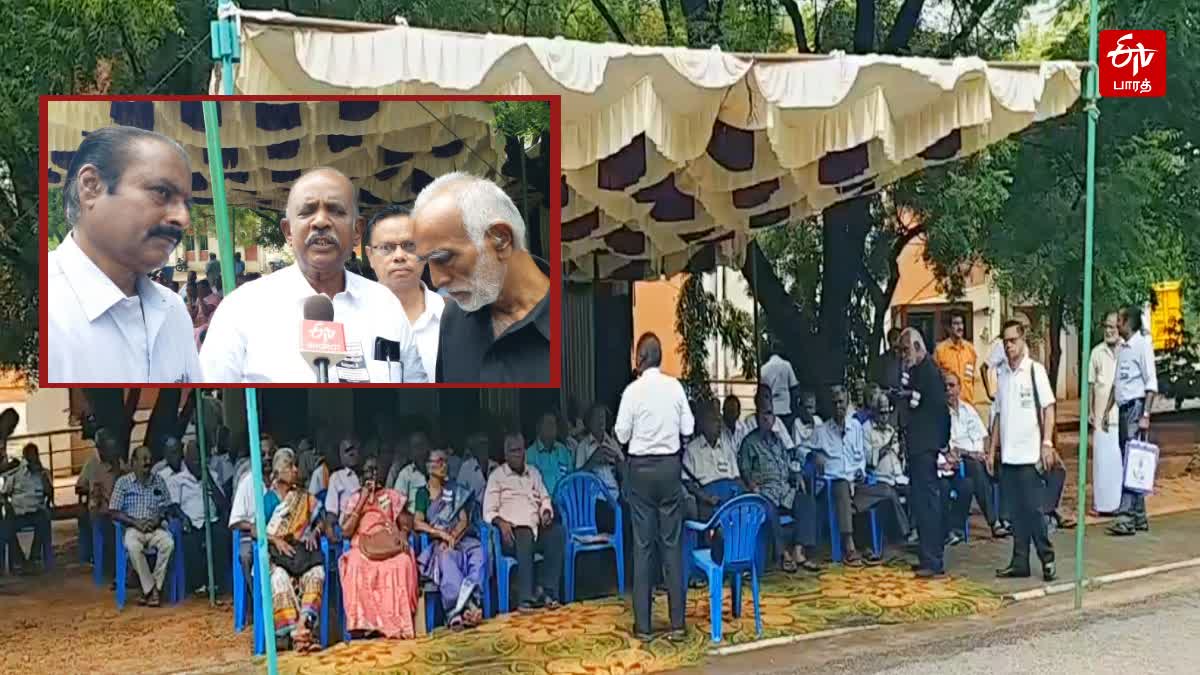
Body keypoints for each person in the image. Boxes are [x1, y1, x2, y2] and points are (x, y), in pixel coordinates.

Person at [199, 167, 427, 383]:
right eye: (307, 212)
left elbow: (419, 403)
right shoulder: (242, 308)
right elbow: (214, 404)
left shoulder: (385, 304)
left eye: (336, 210)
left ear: (357, 231)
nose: (320, 222)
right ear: (288, 232)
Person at [47, 126, 201, 383]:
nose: (183, 218)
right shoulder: (48, 308)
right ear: (91, 187)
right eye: (162, 193)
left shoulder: (173, 310)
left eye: (187, 204)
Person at [411, 172, 551, 383]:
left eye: (444, 257)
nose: (437, 280)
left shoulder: (582, 326)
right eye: (426, 262)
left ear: (501, 239)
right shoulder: (453, 318)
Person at [614, 333, 692, 641]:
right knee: (671, 546)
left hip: (641, 472)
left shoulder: (632, 392)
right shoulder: (675, 388)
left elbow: (621, 435)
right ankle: (677, 624)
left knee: (643, 548)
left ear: (640, 359)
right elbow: (688, 428)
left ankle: (644, 626)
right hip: (670, 469)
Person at [806, 386, 908, 565]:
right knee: (843, 485)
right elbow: (801, 450)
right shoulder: (821, 431)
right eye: (835, 403)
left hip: (856, 482)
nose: (839, 406)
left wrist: (860, 471)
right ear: (830, 406)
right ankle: (850, 546)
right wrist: (815, 456)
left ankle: (902, 536)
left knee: (886, 490)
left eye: (842, 403)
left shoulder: (855, 428)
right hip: (835, 484)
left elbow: (860, 457)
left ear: (847, 404)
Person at [990, 320, 1057, 582]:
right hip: (1008, 456)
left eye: (1013, 341)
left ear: (1022, 340)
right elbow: (997, 415)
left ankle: (1047, 557)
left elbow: (1048, 408)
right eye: (1005, 342)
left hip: (1030, 454)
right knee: (1015, 513)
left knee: (1033, 510)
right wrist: (991, 449)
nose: (1009, 346)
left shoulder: (1034, 371)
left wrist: (1047, 443)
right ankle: (1019, 561)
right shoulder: (1003, 375)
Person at [738, 385, 820, 573]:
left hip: (784, 489)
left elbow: (788, 462)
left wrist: (796, 475)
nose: (767, 418)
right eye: (764, 414)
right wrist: (752, 485)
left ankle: (799, 550)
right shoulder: (749, 442)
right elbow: (744, 470)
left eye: (770, 414)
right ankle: (783, 554)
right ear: (758, 417)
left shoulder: (778, 440)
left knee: (806, 501)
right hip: (764, 491)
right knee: (768, 509)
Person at [338, 455, 420, 639]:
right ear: (361, 477)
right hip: (362, 545)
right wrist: (363, 501)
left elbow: (406, 521)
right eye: (368, 471)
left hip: (388, 543)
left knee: (403, 562)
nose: (373, 475)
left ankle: (397, 624)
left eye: (376, 470)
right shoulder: (355, 498)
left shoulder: (391, 495)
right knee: (355, 564)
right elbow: (345, 531)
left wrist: (402, 534)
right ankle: (364, 625)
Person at [483, 431, 566, 612]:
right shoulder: (497, 476)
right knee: (524, 533)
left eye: (520, 450)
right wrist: (501, 523)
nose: (518, 454)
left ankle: (547, 591)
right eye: (513, 451)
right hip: (511, 535)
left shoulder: (533, 473)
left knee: (557, 533)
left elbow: (545, 497)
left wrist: (545, 511)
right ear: (505, 454)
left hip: (536, 529)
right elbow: (488, 511)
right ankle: (525, 598)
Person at [364, 205, 444, 380]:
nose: (399, 256)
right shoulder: (351, 316)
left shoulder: (450, 315)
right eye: (387, 247)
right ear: (370, 256)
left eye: (409, 245)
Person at [898, 327, 951, 578]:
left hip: (926, 445)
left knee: (929, 503)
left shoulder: (929, 371)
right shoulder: (917, 371)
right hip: (918, 445)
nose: (904, 355)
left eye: (906, 350)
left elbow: (940, 408)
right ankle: (925, 554)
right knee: (919, 502)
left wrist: (942, 443)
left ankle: (934, 559)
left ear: (918, 347)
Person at [263, 448, 328, 652]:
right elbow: (257, 531)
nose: (295, 470)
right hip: (280, 559)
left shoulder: (303, 497)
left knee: (317, 574)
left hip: (302, 556)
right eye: (291, 466)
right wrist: (276, 541)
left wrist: (313, 533)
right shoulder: (269, 500)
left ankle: (303, 626)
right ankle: (294, 634)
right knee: (279, 579)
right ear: (280, 471)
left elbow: (322, 520)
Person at [414, 450, 486, 630]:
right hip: (439, 542)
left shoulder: (454, 489)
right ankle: (461, 609)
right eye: (439, 461)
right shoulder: (422, 494)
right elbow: (417, 523)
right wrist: (441, 535)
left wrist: (453, 535)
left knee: (479, 553)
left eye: (445, 461)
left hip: (459, 538)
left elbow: (463, 520)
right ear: (429, 466)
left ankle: (469, 604)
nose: (444, 465)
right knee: (446, 558)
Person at [1104, 305, 1158, 536]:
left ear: (1128, 323)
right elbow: (1118, 383)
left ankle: (1126, 517)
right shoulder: (1123, 348)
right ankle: (1139, 516)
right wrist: (1107, 409)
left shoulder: (1142, 345)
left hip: (1136, 409)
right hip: (1124, 409)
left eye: (1120, 320)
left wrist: (1146, 414)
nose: (1116, 324)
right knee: (1132, 461)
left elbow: (1151, 383)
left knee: (1131, 461)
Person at [944, 373, 1006, 544]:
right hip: (963, 460)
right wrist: (972, 454)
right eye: (946, 387)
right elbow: (952, 447)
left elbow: (985, 436)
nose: (948, 390)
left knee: (1007, 467)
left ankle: (1009, 518)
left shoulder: (968, 409)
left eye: (952, 386)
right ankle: (994, 522)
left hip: (979, 456)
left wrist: (988, 455)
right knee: (977, 471)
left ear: (959, 388)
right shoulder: (943, 414)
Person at [109, 445, 175, 607]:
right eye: (143, 458)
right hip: (133, 527)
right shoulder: (123, 483)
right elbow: (114, 511)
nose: (148, 461)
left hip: (155, 527)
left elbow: (167, 506)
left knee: (168, 543)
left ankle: (153, 588)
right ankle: (151, 589)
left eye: (149, 458)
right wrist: (134, 522)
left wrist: (157, 519)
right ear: (134, 462)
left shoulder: (158, 480)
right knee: (132, 546)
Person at [165, 440, 230, 595]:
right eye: (194, 460)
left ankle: (217, 583)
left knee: (221, 537)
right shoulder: (177, 480)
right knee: (191, 542)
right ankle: (198, 584)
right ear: (186, 460)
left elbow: (223, 504)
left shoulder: (212, 475)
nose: (197, 463)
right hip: (192, 523)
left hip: (212, 521)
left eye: (200, 459)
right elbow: (173, 505)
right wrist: (183, 517)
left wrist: (208, 479)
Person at [682, 399, 747, 522]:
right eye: (714, 420)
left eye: (719, 420)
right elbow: (687, 482)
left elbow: (737, 478)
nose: (718, 424)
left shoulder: (726, 447)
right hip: (709, 499)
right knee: (722, 529)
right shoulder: (692, 449)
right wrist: (705, 497)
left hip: (731, 497)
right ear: (704, 423)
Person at [228, 440, 278, 589]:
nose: (267, 458)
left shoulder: (281, 481)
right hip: (251, 536)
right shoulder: (247, 482)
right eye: (263, 455)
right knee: (246, 556)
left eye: (271, 454)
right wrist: (255, 527)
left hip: (279, 533)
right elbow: (235, 521)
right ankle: (257, 598)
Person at [1089, 312, 1124, 515]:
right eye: (1107, 327)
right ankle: (1101, 505)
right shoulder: (1096, 353)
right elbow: (1090, 385)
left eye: (1113, 327)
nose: (1109, 331)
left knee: (1117, 464)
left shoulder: (1125, 351)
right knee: (1101, 465)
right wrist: (1090, 412)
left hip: (1121, 417)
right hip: (1101, 418)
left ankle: (1119, 505)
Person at [0, 443, 53, 574]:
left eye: (34, 456)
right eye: (29, 456)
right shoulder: (16, 473)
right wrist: (7, 504)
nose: (32, 459)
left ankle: (34, 558)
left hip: (36, 511)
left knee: (44, 521)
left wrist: (43, 477)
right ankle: (19, 560)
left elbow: (49, 494)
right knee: (6, 528)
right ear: (24, 457)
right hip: (18, 511)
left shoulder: (43, 473)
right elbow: (4, 493)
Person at [574, 404, 624, 506]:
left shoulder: (612, 443)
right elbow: (577, 478)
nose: (601, 420)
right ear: (589, 422)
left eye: (603, 417)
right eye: (597, 417)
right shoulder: (583, 446)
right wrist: (593, 461)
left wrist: (617, 460)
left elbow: (625, 473)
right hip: (595, 498)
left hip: (616, 496)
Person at [526, 411, 575, 498]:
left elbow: (572, 477)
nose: (552, 427)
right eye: (548, 424)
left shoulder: (563, 450)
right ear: (538, 428)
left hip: (565, 503)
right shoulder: (529, 455)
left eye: (554, 424)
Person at [933, 311, 979, 402]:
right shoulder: (940, 350)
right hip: (948, 404)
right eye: (956, 324)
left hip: (968, 404)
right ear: (949, 328)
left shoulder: (970, 349)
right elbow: (933, 379)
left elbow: (975, 380)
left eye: (961, 323)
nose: (960, 327)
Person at [323, 439, 362, 535]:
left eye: (353, 449)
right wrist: (329, 527)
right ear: (341, 457)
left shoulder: (369, 472)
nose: (351, 454)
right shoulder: (337, 477)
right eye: (347, 451)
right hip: (350, 526)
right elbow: (332, 509)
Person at [759, 339, 800, 431]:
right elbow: (794, 387)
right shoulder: (786, 365)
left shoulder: (764, 368)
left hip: (771, 409)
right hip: (785, 409)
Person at [389, 431, 432, 512]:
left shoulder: (437, 469)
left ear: (428, 446)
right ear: (411, 450)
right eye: (415, 446)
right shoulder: (406, 474)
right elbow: (396, 505)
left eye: (421, 445)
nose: (419, 449)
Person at [457, 431, 495, 507]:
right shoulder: (466, 468)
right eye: (481, 444)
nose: (484, 448)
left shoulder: (496, 466)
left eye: (485, 444)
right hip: (473, 513)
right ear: (475, 448)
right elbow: (459, 496)